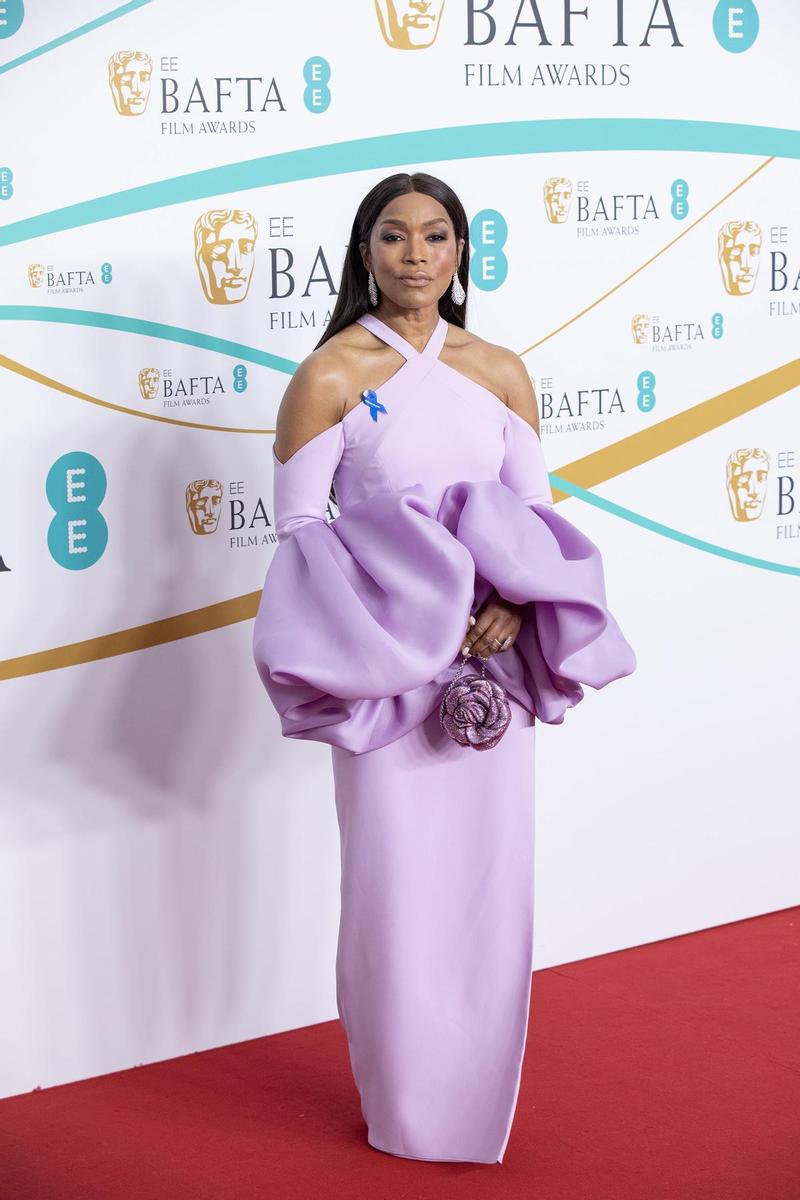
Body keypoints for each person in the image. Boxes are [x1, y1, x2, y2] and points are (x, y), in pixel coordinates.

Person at [252, 171, 637, 1164]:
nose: (414, 254)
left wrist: (512, 601)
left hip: (489, 669)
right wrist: (396, 615)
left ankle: (472, 1103)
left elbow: (532, 515)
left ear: (462, 251)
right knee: (389, 889)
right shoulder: (330, 374)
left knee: (486, 884)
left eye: (434, 235)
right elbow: (300, 527)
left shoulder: (500, 370)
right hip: (387, 669)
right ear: (363, 252)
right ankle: (402, 1107)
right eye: (392, 236)